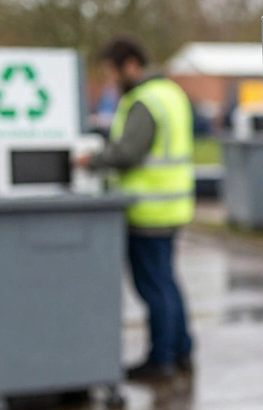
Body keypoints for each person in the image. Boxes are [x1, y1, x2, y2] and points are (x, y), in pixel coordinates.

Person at [79, 36, 196, 381]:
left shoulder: (144, 100)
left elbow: (128, 153)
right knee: (167, 284)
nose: (111, 81)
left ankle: (160, 360)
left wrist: (91, 160)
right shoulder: (170, 94)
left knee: (154, 289)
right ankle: (182, 352)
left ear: (130, 65)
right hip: (171, 206)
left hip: (147, 211)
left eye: (112, 72)